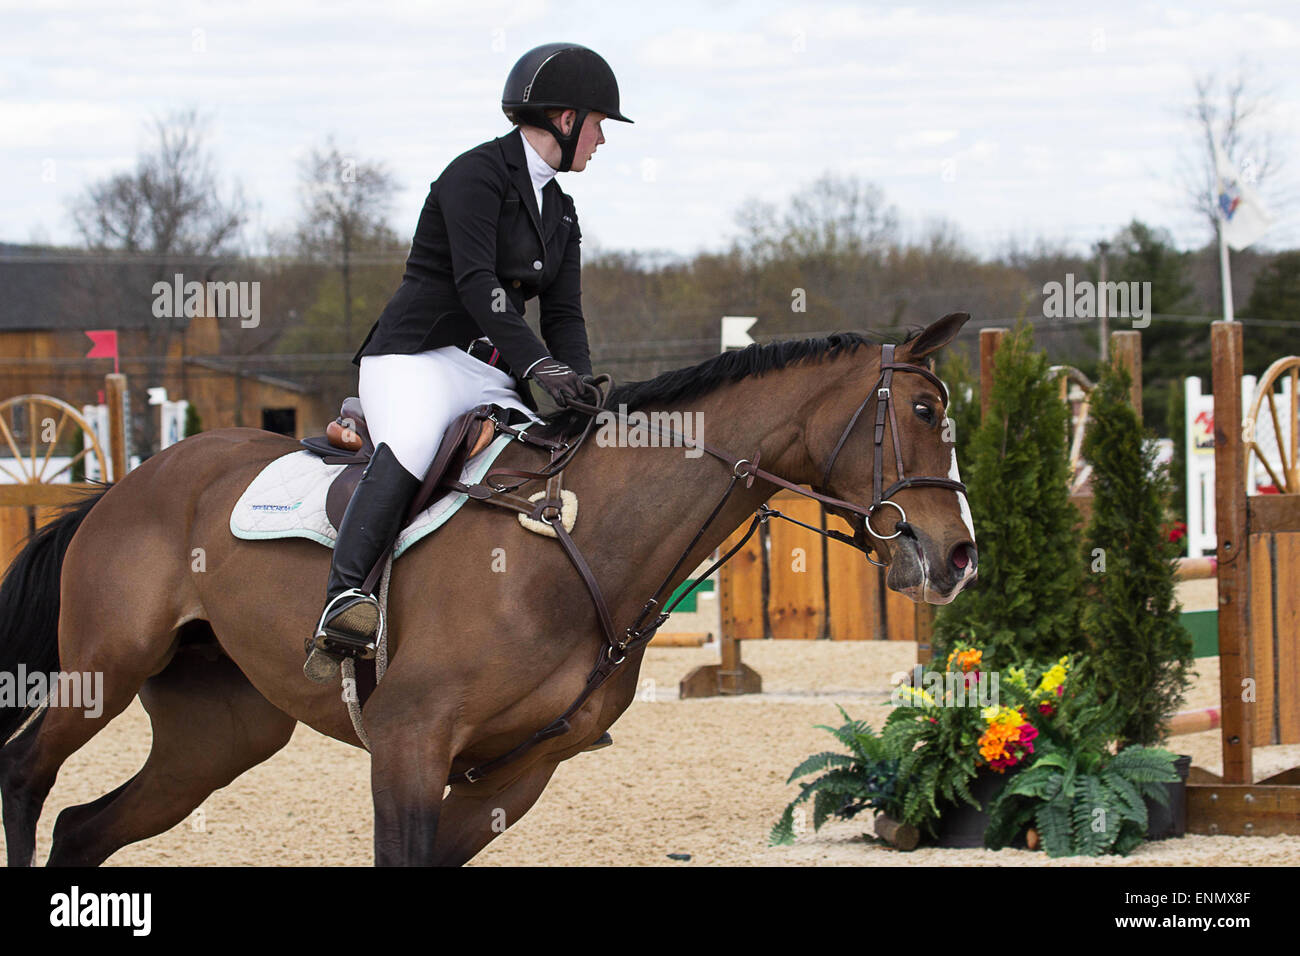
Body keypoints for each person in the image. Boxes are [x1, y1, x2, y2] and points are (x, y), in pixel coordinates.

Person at [310, 42, 632, 663]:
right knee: (412, 445)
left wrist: (583, 386)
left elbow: (564, 314)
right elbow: (476, 284)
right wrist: (538, 365)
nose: (601, 139)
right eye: (597, 125)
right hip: (415, 358)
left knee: (553, 459)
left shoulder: (560, 212)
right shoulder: (475, 175)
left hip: (486, 374)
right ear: (566, 121)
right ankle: (344, 599)